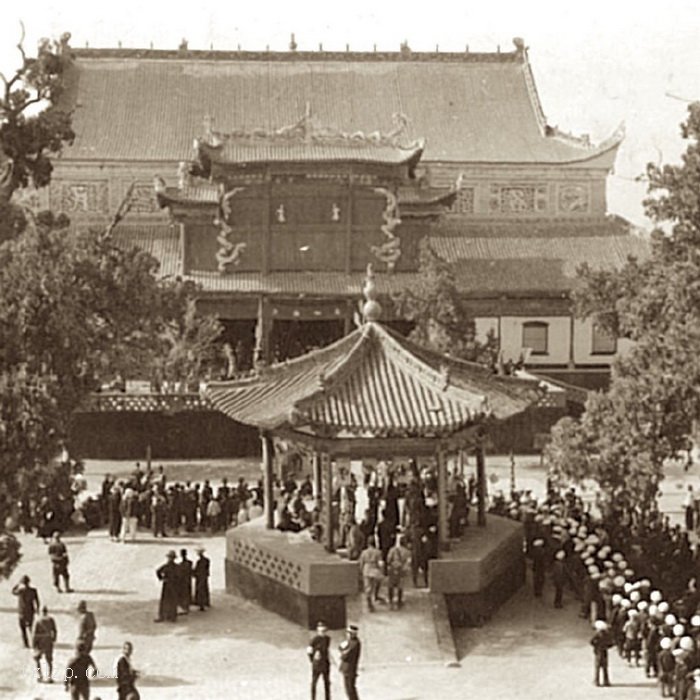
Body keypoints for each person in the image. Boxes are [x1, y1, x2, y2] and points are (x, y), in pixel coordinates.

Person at [12, 574, 40, 647]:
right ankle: (35, 643)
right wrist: (37, 609)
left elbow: (13, 592)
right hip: (30, 611)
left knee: (23, 629)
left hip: (22, 612)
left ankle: (26, 644)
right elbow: (37, 601)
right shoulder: (33, 591)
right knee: (31, 628)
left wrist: (18, 584)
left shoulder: (20, 591)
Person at [357, 537, 384, 612]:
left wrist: (361, 571)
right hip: (375, 569)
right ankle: (376, 595)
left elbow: (361, 563)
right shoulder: (378, 552)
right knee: (378, 583)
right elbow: (380, 563)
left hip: (366, 569)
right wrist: (382, 571)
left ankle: (369, 604)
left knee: (367, 588)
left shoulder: (364, 552)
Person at [307, 620, 331, 700]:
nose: (323, 633)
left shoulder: (328, 639)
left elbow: (327, 650)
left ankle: (328, 698)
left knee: (327, 682)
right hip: (317, 664)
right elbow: (309, 651)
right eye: (321, 631)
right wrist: (313, 660)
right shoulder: (314, 640)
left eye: (324, 631)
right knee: (314, 682)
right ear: (318, 631)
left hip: (325, 663)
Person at [32, 605, 57, 683]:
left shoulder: (38, 621)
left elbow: (34, 634)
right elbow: (55, 631)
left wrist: (33, 644)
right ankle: (49, 676)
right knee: (49, 660)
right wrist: (53, 639)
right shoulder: (51, 619)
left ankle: (40, 676)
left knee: (37, 660)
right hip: (48, 641)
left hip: (40, 642)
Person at [386, 534, 410, 610]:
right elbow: (408, 562)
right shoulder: (407, 552)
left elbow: (388, 559)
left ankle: (390, 602)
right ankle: (399, 602)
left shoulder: (393, 550)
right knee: (400, 586)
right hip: (401, 569)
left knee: (391, 585)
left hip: (393, 568)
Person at [155, 550, 179, 622]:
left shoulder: (167, 566)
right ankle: (170, 616)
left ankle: (165, 616)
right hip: (171, 585)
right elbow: (158, 571)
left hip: (169, 584)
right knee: (171, 600)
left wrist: (161, 578)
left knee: (167, 600)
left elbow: (158, 571)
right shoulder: (175, 567)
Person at [339, 624, 361, 700]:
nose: (347, 634)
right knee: (349, 689)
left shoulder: (354, 644)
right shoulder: (351, 642)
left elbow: (345, 656)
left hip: (349, 669)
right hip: (347, 669)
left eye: (349, 633)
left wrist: (342, 651)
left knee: (350, 689)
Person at [591, 619, 613, 687]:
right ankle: (606, 681)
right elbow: (610, 643)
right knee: (605, 667)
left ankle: (596, 681)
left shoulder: (597, 635)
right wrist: (606, 646)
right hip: (604, 652)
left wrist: (596, 645)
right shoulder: (607, 634)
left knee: (597, 667)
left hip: (598, 652)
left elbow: (591, 642)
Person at [192, 547, 211, 611]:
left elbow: (197, 569)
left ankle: (201, 604)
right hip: (204, 576)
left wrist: (194, 573)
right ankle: (206, 602)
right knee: (205, 589)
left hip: (200, 577)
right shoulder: (207, 560)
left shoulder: (199, 562)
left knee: (200, 590)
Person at [177, 549, 193, 614]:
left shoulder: (181, 564)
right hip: (188, 580)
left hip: (183, 581)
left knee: (184, 593)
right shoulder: (189, 563)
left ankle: (185, 607)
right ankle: (186, 606)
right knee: (187, 593)